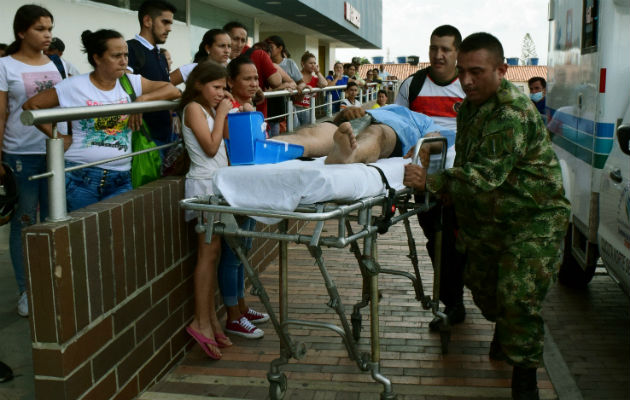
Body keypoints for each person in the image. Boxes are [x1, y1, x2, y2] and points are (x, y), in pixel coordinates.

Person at [402, 32, 570, 400]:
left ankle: (525, 378)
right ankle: (506, 328)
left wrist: (431, 182)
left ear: (502, 70)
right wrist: (447, 192)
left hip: (533, 218)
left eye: (476, 72)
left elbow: (484, 174)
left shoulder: (511, 112)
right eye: (462, 71)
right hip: (490, 217)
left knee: (518, 297)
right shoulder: (472, 107)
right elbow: (465, 162)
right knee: (485, 293)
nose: (465, 81)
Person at [23, 29, 181, 212]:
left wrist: (140, 102)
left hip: (122, 177)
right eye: (116, 56)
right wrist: (57, 136)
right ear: (97, 58)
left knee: (114, 233)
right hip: (80, 177)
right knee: (83, 235)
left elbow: (173, 90)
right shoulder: (74, 86)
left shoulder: (130, 82)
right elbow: (31, 106)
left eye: (126, 55)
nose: (124, 61)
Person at [395, 24, 467, 332]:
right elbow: (398, 130)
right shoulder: (412, 86)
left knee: (459, 241)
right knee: (436, 241)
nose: (438, 55)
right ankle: (452, 303)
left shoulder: (469, 85)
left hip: (462, 181)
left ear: (457, 53)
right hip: (424, 181)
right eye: (433, 48)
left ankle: (457, 302)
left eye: (446, 49)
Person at [0, 4, 62, 317]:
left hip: (53, 151)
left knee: (54, 221)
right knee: (24, 224)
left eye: (49, 28)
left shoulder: (54, 64)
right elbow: (0, 113)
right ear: (22, 31)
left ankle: (51, 284)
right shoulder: (5, 66)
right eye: (40, 29)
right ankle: (26, 290)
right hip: (20, 154)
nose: (47, 35)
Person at [180, 61, 234, 358]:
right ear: (199, 84)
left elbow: (224, 141)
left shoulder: (211, 109)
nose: (220, 93)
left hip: (216, 185)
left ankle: (211, 319)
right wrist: (222, 112)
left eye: (224, 88)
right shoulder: (192, 109)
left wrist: (225, 111)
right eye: (216, 87)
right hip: (203, 188)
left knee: (213, 255)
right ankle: (200, 321)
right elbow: (211, 148)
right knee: (207, 254)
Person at [218, 55, 269, 339]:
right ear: (230, 81)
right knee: (233, 254)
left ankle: (241, 306)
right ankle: (232, 316)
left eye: (256, 79)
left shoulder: (248, 107)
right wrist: (245, 113)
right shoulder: (226, 108)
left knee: (244, 250)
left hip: (250, 184)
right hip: (232, 188)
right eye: (247, 79)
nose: (253, 83)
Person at [273, 104, 453, 165]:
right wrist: (345, 114)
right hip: (362, 119)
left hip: (395, 130)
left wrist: (427, 142)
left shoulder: (425, 121)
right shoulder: (387, 107)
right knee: (313, 134)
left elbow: (436, 138)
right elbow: (341, 120)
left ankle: (350, 154)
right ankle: (266, 144)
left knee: (377, 134)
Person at [127, 0, 176, 157]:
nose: (169, 28)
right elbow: (124, 86)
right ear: (147, 20)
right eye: (165, 22)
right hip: (142, 137)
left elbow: (169, 90)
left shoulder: (160, 56)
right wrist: (141, 100)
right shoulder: (129, 49)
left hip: (166, 136)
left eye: (170, 23)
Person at [223, 21, 281, 118]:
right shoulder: (211, 66)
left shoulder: (239, 62)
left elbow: (277, 81)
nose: (239, 44)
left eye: (243, 40)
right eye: (235, 39)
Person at [294, 51, 327, 126]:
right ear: (303, 64)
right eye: (310, 63)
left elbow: (324, 84)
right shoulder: (297, 75)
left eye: (315, 63)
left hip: (309, 110)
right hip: (295, 109)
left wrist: (318, 72)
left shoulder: (315, 79)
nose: (313, 65)